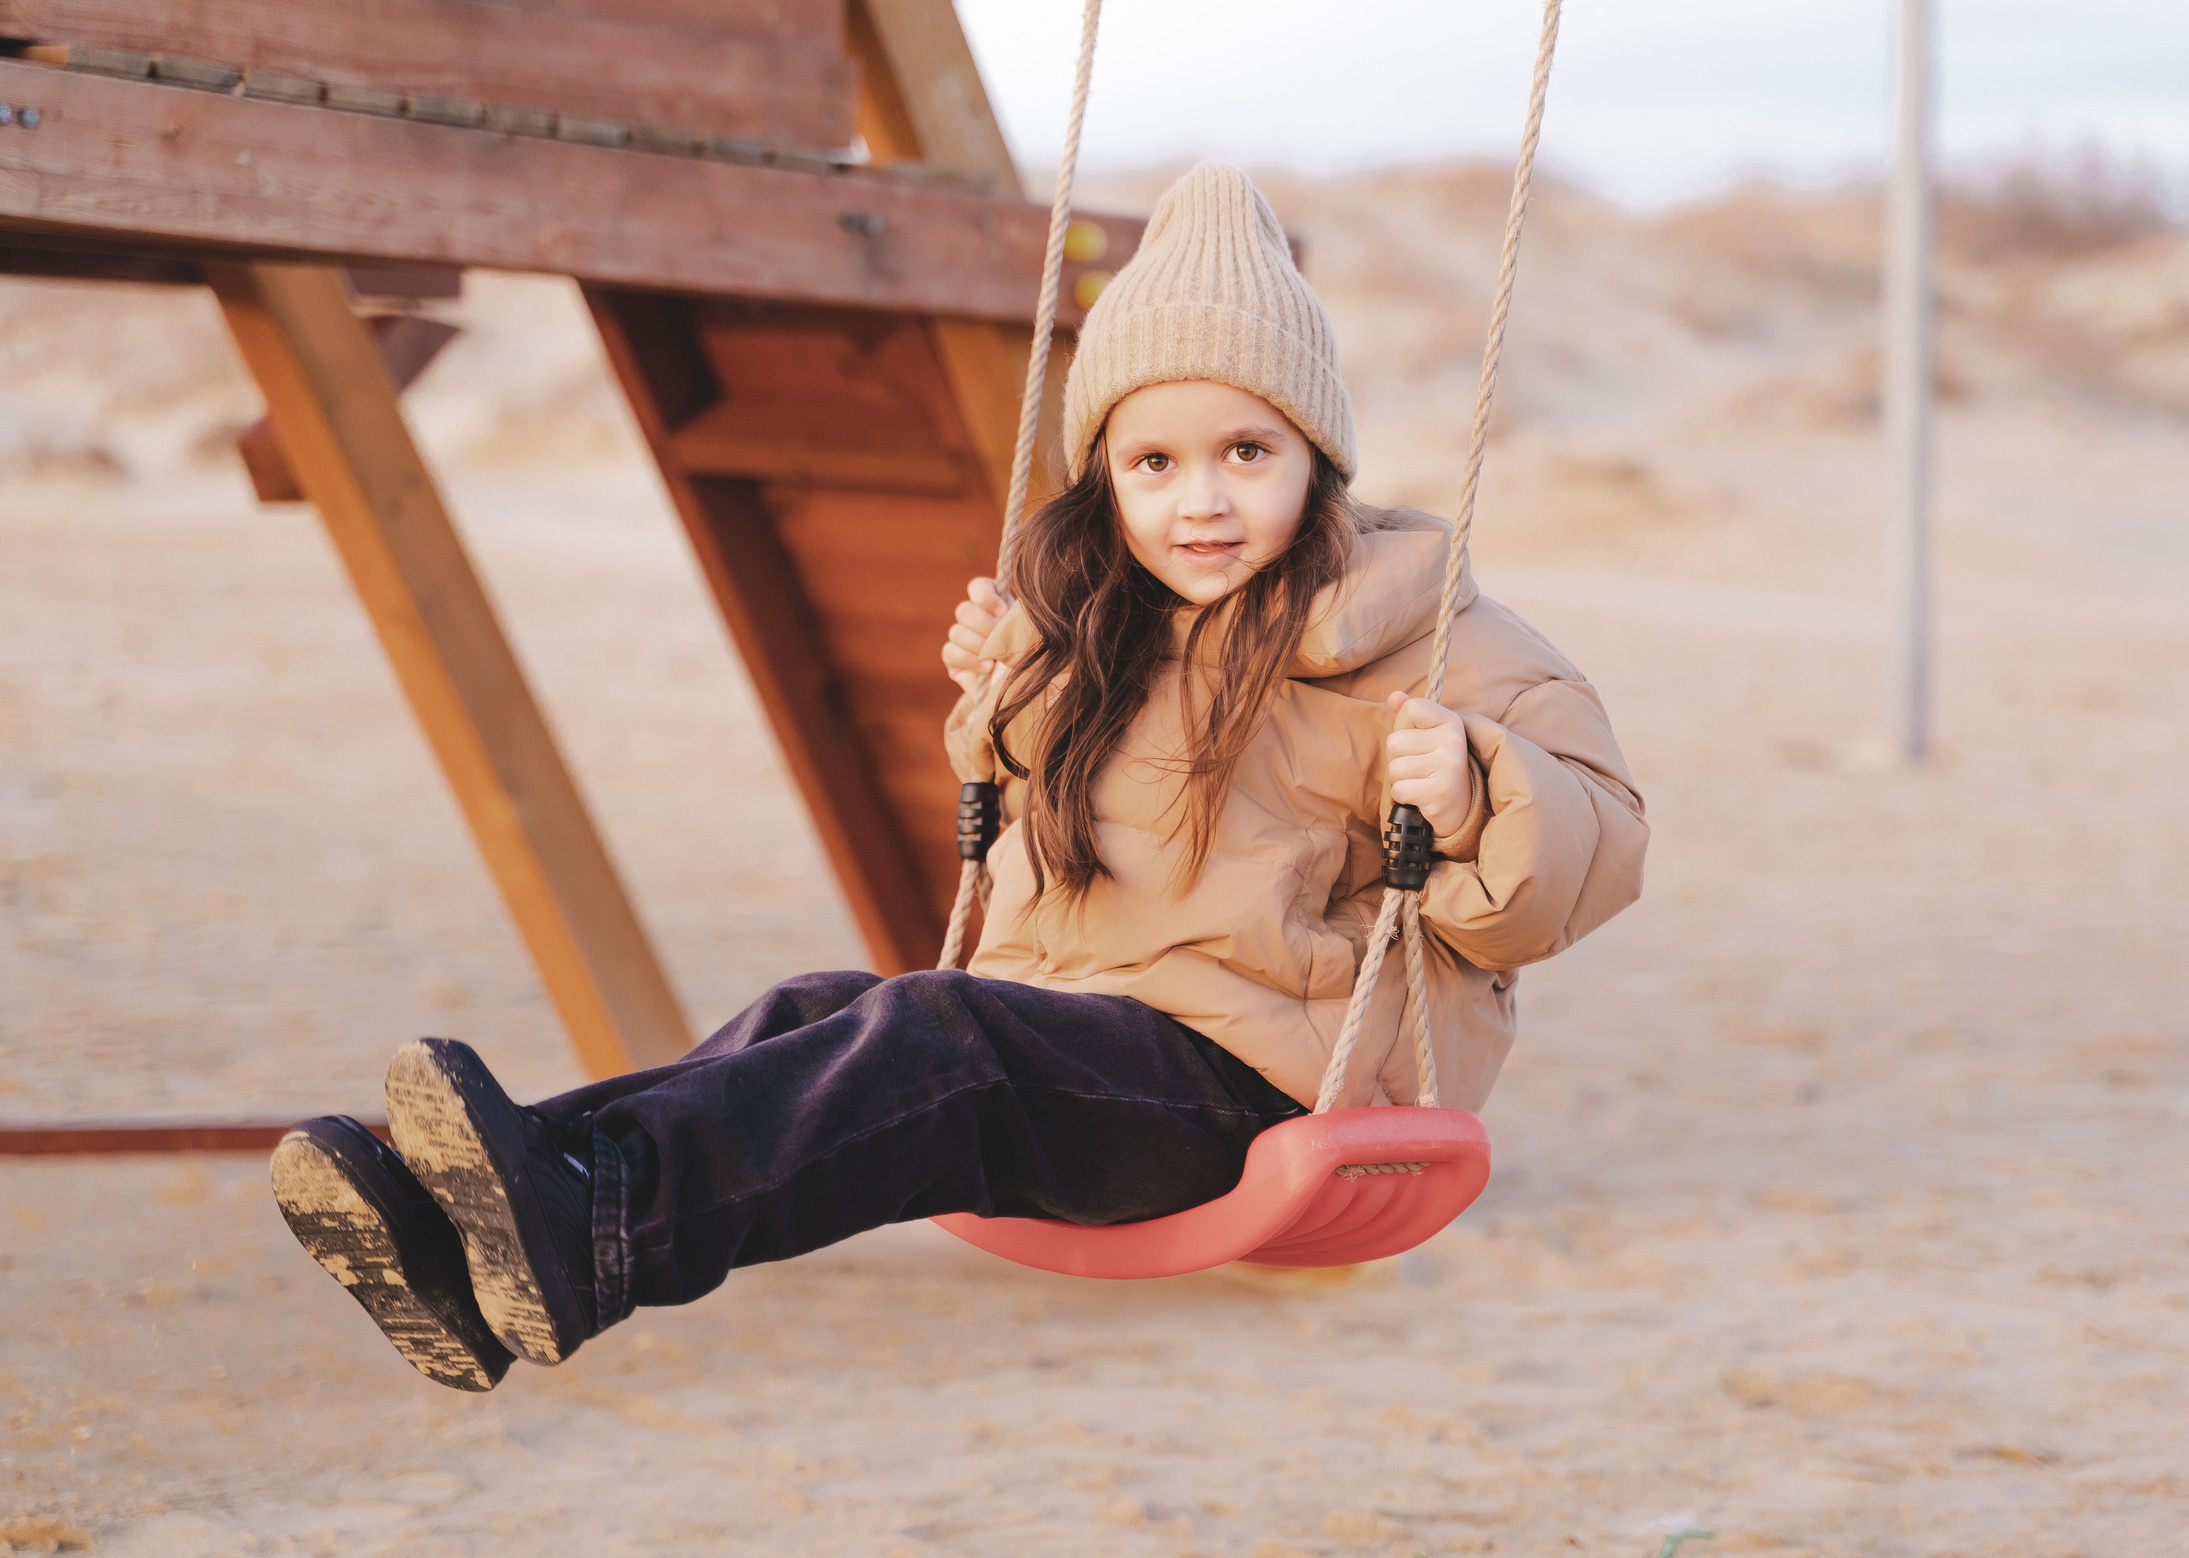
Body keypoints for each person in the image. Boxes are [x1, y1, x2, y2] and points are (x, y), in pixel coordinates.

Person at [269, 163, 1647, 1392]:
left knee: (939, 1038)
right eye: (1153, 463)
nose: (1201, 502)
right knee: (819, 1008)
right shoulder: (1101, 622)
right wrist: (1010, 704)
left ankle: (592, 1219)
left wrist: (1478, 791)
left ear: (1317, 456)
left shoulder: (1425, 624)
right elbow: (1071, 859)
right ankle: (477, 1220)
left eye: (1247, 452)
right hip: (1091, 1045)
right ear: (1105, 473)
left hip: (1266, 1089)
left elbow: (1602, 835)